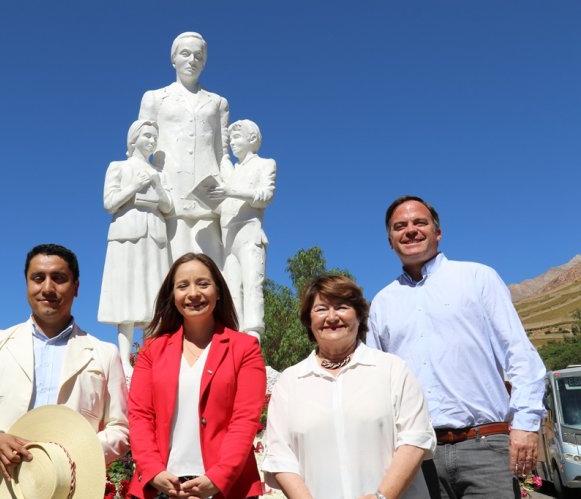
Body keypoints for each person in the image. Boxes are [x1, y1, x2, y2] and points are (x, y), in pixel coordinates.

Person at [366, 195, 546, 499]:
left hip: (485, 447)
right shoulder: (382, 303)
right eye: (400, 226)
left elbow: (519, 353)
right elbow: (377, 382)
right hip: (418, 456)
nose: (410, 230)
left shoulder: (478, 278)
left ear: (438, 232)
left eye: (419, 222)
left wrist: (526, 424)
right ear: (390, 241)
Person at [0, 244, 129, 497]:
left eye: (59, 278)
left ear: (76, 287)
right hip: (4, 487)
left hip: (73, 490)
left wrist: (77, 455)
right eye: (38, 278)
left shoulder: (105, 354)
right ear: (27, 285)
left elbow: (121, 428)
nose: (48, 288)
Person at [262, 275, 435, 499]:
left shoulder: (392, 369)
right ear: (308, 320)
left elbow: (415, 438)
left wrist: (382, 496)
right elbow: (280, 456)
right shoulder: (290, 381)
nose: (332, 317)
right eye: (321, 309)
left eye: (342, 307)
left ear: (360, 315)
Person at [127, 253, 266, 499]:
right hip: (161, 486)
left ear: (219, 291)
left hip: (227, 488)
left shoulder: (245, 348)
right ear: (173, 295)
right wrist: (153, 470)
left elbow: (245, 420)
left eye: (203, 283)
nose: (193, 293)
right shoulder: (151, 350)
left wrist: (218, 478)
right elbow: (140, 416)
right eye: (183, 286)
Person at [138, 32, 230, 265]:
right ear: (174, 59)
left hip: (207, 195)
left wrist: (229, 188)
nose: (192, 60)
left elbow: (223, 153)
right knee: (168, 269)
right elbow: (139, 148)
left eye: (198, 56)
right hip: (169, 192)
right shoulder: (155, 98)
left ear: (205, 62)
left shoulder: (218, 102)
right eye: (185, 54)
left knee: (211, 270)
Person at [98, 120, 172, 377]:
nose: (152, 141)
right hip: (127, 231)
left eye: (155, 137)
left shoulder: (157, 172)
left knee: (154, 292)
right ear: (134, 139)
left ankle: (149, 354)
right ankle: (123, 357)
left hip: (155, 233)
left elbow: (168, 207)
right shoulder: (118, 167)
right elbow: (109, 202)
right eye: (147, 135)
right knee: (126, 292)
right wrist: (134, 187)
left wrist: (157, 186)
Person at [209, 119, 275, 337]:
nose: (233, 143)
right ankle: (234, 335)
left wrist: (231, 191)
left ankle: (253, 336)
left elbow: (264, 196)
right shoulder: (232, 171)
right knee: (230, 291)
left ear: (252, 138)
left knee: (252, 285)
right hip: (228, 238)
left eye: (237, 137)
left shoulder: (265, 164)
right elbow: (224, 204)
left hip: (249, 232)